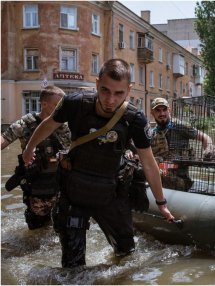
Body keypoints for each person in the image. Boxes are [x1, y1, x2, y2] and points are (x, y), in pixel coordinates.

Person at [22, 59, 175, 268]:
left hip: (110, 192)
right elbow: (48, 125)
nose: (110, 100)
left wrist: (162, 204)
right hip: (74, 191)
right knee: (73, 268)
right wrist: (29, 149)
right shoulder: (75, 103)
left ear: (129, 91)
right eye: (105, 91)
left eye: (118, 93)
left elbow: (149, 163)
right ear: (96, 84)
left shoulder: (135, 119)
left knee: (126, 253)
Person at [1, 86, 71, 230]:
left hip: (61, 188)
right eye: (58, 105)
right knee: (36, 232)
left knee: (62, 230)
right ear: (44, 104)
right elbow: (4, 139)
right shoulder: (26, 124)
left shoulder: (66, 126)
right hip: (37, 190)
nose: (62, 109)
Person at [150, 97, 212, 191]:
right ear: (152, 113)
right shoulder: (152, 133)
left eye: (164, 110)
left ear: (169, 110)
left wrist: (208, 152)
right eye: (158, 111)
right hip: (159, 182)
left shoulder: (180, 126)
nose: (162, 113)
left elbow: (205, 138)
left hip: (179, 181)